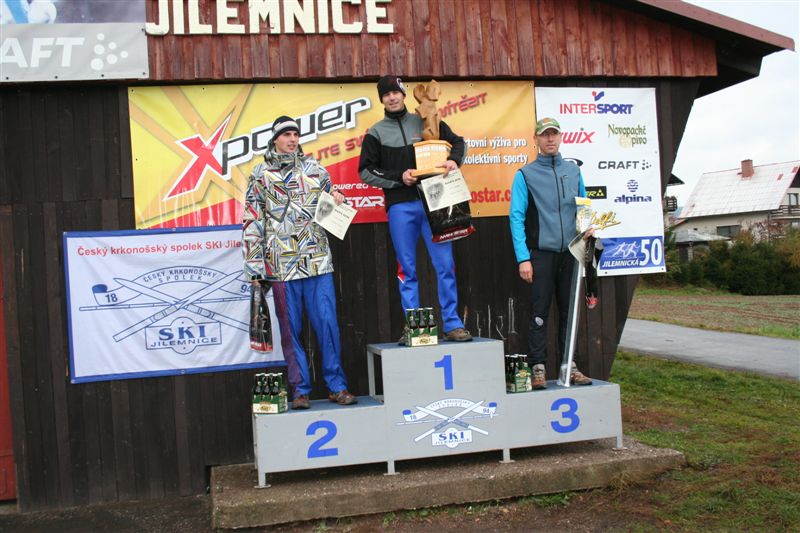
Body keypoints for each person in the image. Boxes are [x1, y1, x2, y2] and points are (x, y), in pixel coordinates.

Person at [243, 115, 357, 409]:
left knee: (327, 324)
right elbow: (253, 220)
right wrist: (255, 267)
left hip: (317, 260)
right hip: (281, 265)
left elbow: (334, 204)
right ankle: (300, 390)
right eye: (286, 134)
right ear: (274, 139)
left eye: (295, 134)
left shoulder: (315, 169)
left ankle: (337, 386)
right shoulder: (260, 174)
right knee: (290, 330)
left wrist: (339, 199)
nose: (292, 139)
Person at [358, 75, 472, 343]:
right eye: (386, 95)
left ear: (404, 94)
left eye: (395, 92)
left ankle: (452, 324)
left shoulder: (424, 119)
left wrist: (454, 161)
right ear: (382, 100)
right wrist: (399, 178)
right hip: (401, 206)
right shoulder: (375, 133)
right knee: (406, 269)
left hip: (436, 202)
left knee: (445, 265)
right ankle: (414, 326)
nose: (392, 98)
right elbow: (366, 171)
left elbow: (459, 142)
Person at [508, 117, 593, 389]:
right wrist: (523, 258)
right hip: (541, 255)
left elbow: (583, 206)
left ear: (561, 137)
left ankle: (570, 366)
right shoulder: (525, 175)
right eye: (545, 135)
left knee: (569, 312)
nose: (550, 139)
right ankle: (538, 368)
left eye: (554, 134)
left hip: (570, 253)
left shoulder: (574, 171)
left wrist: (587, 229)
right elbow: (516, 218)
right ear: (536, 139)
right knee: (539, 312)